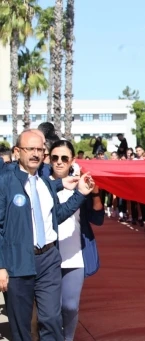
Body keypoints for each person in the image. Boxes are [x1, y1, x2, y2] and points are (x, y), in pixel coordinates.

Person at [0, 130, 94, 341]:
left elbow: (57, 216)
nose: (35, 154)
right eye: (30, 149)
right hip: (18, 261)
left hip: (49, 259)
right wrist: (1, 266)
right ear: (17, 152)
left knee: (51, 318)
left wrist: (80, 194)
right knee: (21, 325)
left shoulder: (44, 183)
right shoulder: (5, 182)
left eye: (40, 150)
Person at [49, 140, 105, 340]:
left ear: (72, 160)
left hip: (75, 256)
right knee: (51, 310)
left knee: (70, 306)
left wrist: (95, 192)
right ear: (49, 159)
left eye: (64, 158)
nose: (59, 162)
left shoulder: (81, 183)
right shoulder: (42, 185)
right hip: (47, 257)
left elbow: (97, 219)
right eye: (55, 157)